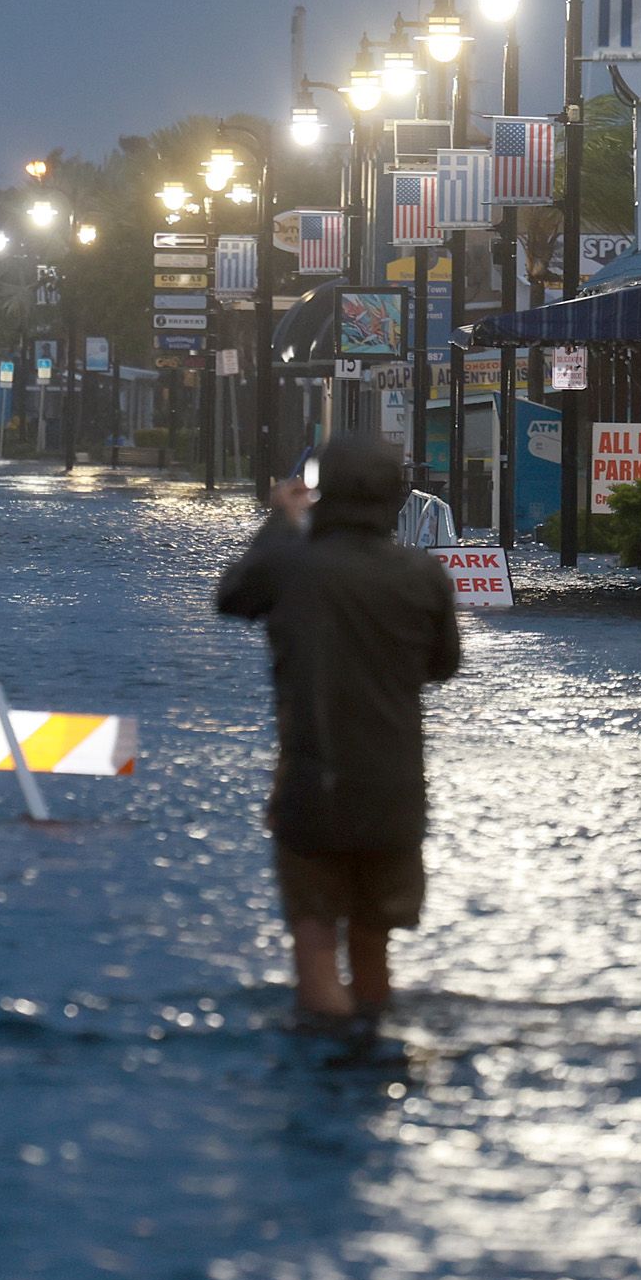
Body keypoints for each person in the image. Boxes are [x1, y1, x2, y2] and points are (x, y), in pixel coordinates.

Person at [215, 437, 463, 1023]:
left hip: (311, 781)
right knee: (374, 945)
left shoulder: (293, 566)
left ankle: (323, 1056)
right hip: (396, 791)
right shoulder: (422, 576)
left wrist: (280, 522)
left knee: (316, 937)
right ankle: (371, 1053)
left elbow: (233, 597)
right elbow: (443, 666)